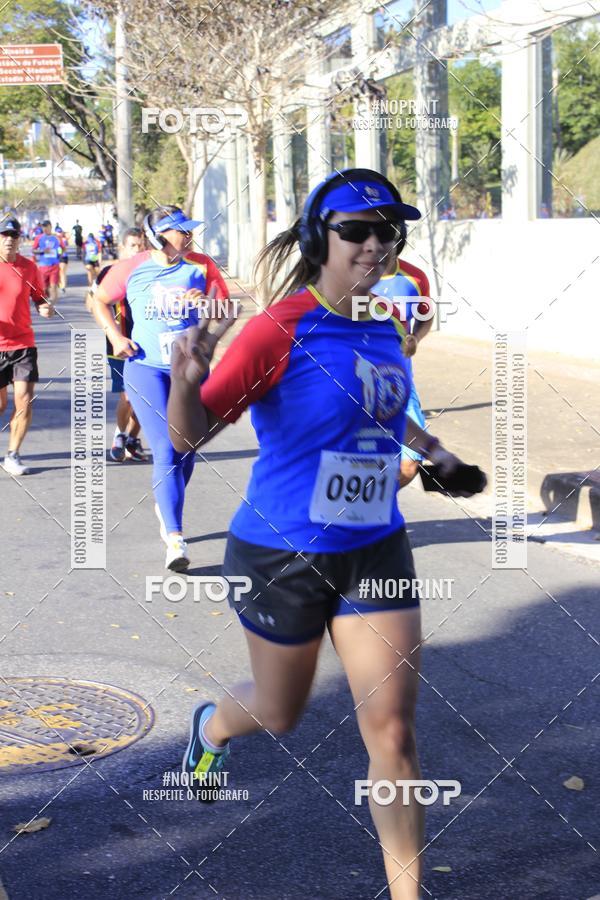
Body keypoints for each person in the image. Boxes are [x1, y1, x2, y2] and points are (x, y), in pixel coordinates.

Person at [167, 169, 469, 900]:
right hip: (281, 553)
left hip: (375, 548)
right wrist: (186, 374)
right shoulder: (278, 329)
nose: (374, 245)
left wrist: (434, 453)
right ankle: (210, 728)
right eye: (355, 230)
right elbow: (190, 434)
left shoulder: (386, 322)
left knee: (393, 734)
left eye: (387, 231)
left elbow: (384, 405)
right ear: (318, 239)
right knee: (280, 713)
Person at [93, 204, 229, 570]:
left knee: (187, 449)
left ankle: (165, 502)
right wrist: (115, 336)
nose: (188, 235)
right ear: (159, 235)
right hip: (146, 368)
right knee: (167, 449)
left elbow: (224, 309)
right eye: (180, 230)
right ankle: (175, 538)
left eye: (188, 229)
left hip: (187, 370)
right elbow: (100, 300)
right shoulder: (130, 268)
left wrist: (207, 305)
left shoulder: (201, 265)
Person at [371, 257, 434, 487]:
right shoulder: (346, 274)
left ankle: (370, 512)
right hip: (356, 384)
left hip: (400, 384)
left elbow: (426, 316)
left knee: (410, 464)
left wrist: (415, 337)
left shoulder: (414, 277)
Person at [0, 215, 55, 475]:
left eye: (13, 235)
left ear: (19, 239)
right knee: (0, 405)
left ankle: (13, 454)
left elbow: (39, 297)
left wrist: (45, 307)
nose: (9, 240)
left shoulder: (29, 267)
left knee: (24, 400)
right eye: (4, 235)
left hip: (23, 344)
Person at [89, 227, 147, 462]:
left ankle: (132, 438)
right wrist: (112, 333)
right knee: (129, 396)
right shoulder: (109, 273)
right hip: (121, 343)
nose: (138, 250)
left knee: (148, 398)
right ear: (123, 248)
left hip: (149, 343)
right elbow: (93, 302)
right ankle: (120, 436)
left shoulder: (153, 271)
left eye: (142, 245)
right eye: (133, 245)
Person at [31, 220, 61, 304]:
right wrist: (42, 251)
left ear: (50, 227)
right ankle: (47, 301)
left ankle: (53, 306)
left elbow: (62, 248)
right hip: (43, 266)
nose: (44, 228)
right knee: (44, 288)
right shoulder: (39, 238)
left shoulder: (56, 238)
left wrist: (59, 255)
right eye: (43, 227)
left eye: (46, 226)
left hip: (54, 266)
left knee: (53, 286)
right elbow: (33, 250)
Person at [55, 226, 69, 294]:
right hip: (56, 258)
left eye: (60, 232)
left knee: (62, 271)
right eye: (58, 232)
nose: (59, 233)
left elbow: (65, 248)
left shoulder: (64, 240)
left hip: (63, 257)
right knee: (59, 272)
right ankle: (61, 284)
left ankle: (63, 286)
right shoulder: (53, 239)